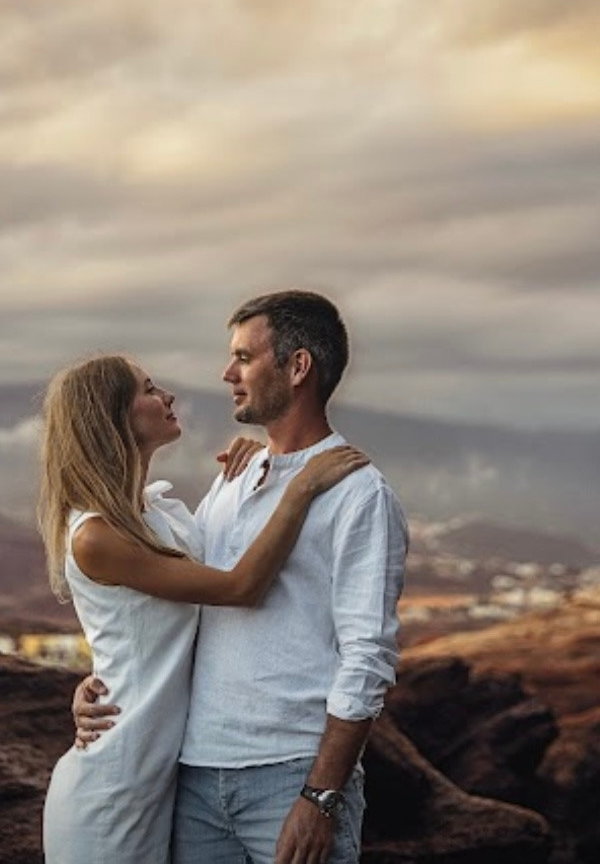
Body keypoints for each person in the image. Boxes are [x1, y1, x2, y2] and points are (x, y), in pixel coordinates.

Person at [75, 290, 409, 864]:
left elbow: (368, 658)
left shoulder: (359, 493)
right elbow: (185, 598)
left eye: (244, 358)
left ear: (298, 367)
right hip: (193, 777)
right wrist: (103, 682)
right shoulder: (234, 477)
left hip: (290, 774)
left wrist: (320, 795)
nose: (227, 374)